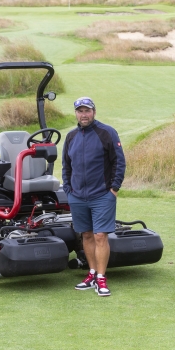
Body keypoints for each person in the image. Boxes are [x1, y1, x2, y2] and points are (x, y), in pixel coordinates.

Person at [62, 96, 126, 296]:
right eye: (80, 111)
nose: (83, 114)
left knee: (100, 236)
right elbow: (66, 165)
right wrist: (68, 189)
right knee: (86, 235)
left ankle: (101, 277)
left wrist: (114, 189)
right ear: (76, 114)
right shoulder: (71, 136)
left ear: (94, 112)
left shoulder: (106, 133)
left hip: (102, 195)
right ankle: (91, 273)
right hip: (77, 196)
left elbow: (119, 162)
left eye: (87, 111)